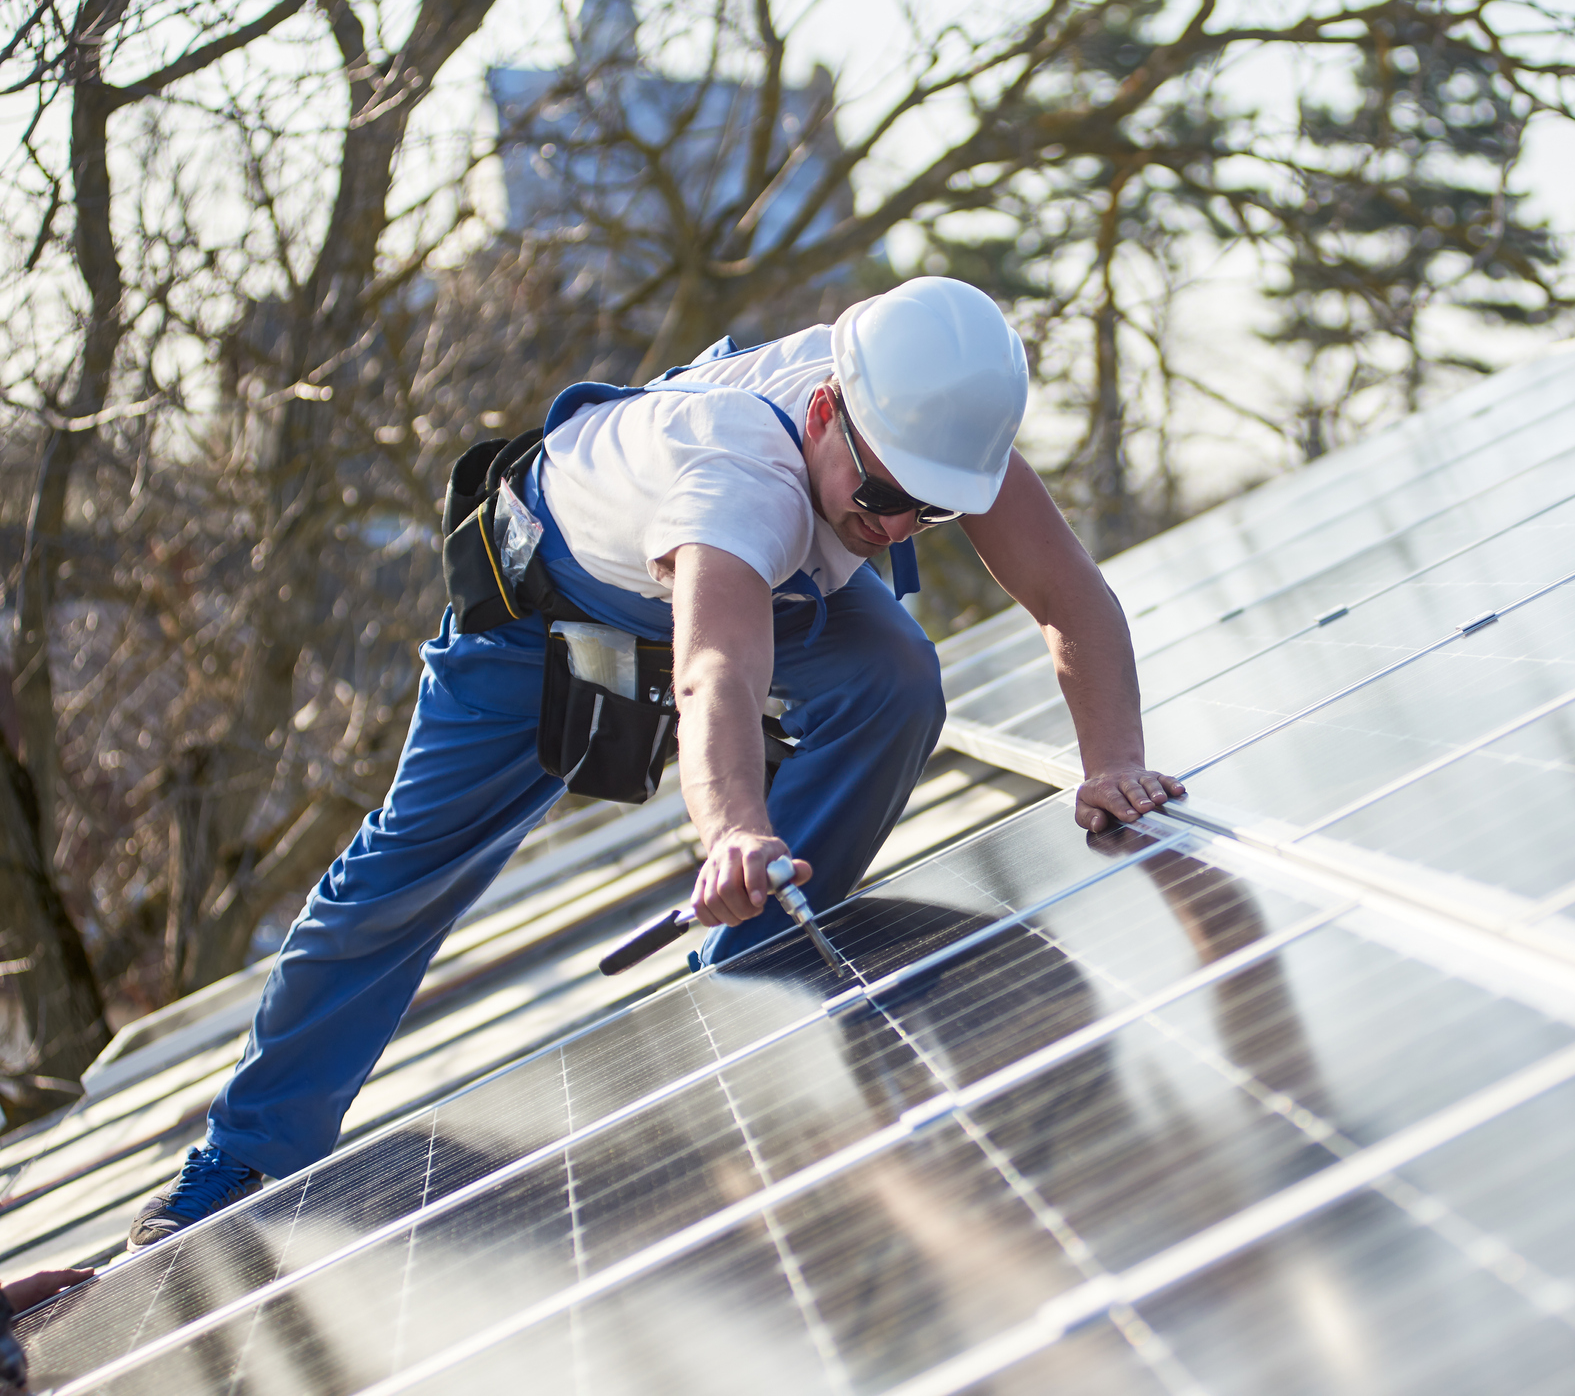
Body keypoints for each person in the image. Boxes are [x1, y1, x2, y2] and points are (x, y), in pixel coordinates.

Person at [128, 277, 1186, 1250]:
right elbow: (716, 669)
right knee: (398, 878)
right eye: (880, 499)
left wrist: (1113, 763)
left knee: (897, 673)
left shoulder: (925, 420)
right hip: (539, 616)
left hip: (753, 586)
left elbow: (1071, 598)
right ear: (825, 413)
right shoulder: (740, 474)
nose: (897, 526)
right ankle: (246, 1153)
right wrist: (731, 829)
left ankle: (748, 971)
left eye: (928, 511)